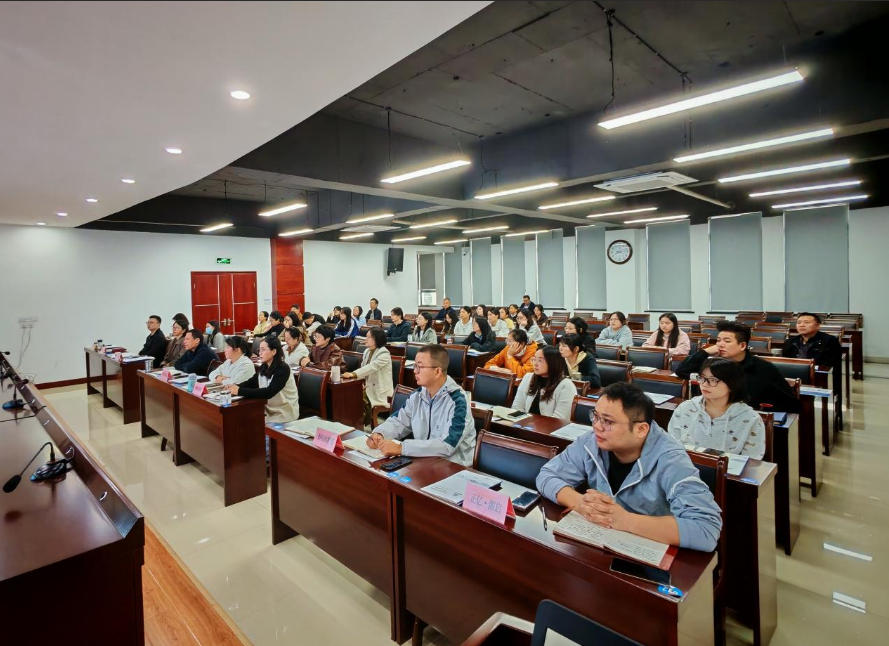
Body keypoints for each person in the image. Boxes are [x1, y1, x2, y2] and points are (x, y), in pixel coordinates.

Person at [536, 382, 723, 552]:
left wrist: (625, 520)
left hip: (650, 553)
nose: (597, 427)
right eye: (596, 416)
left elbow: (706, 529)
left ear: (641, 429)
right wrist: (581, 503)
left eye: (608, 421)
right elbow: (546, 475)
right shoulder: (591, 442)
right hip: (600, 544)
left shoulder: (671, 460)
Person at [367, 344, 475, 465]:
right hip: (423, 461)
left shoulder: (458, 401)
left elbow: (447, 445)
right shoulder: (417, 396)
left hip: (453, 466)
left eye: (420, 367)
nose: (415, 371)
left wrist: (402, 448)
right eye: (415, 366)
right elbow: (399, 421)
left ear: (437, 371)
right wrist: (380, 433)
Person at [676, 320, 800, 413]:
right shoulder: (714, 364)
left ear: (742, 346)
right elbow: (681, 371)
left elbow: (790, 404)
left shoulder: (763, 368)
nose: (720, 345)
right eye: (718, 340)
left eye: (727, 341)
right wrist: (705, 352)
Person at [668, 358, 765, 459]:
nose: (704, 384)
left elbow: (752, 461)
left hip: (729, 469)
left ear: (732, 384)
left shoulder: (750, 419)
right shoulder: (685, 408)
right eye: (702, 378)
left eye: (713, 380)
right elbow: (671, 448)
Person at [228, 336, 299, 423]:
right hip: (269, 409)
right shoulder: (264, 366)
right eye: (259, 350)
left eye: (263, 350)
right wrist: (234, 387)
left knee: (249, 422)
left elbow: (269, 392)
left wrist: (239, 391)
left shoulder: (283, 368)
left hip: (285, 412)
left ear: (274, 351)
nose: (259, 353)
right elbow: (252, 382)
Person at [343, 327, 393, 425]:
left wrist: (353, 374)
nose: (365, 339)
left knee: (355, 400)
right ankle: (351, 424)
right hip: (368, 387)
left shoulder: (384, 353)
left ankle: (358, 425)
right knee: (348, 396)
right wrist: (360, 382)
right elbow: (363, 369)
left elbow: (371, 367)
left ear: (376, 339)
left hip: (379, 391)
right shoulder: (367, 351)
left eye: (368, 337)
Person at [512, 346, 576, 420]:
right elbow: (517, 407)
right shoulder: (528, 377)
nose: (535, 364)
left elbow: (560, 419)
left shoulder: (566, 385)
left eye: (540, 360)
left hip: (549, 426)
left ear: (552, 363)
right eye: (534, 359)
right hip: (524, 424)